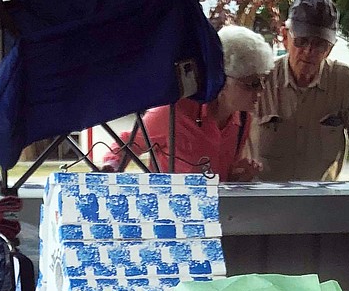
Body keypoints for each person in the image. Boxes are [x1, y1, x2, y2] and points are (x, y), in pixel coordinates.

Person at [253, 0, 349, 186]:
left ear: (330, 47)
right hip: (263, 197)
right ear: (285, 37)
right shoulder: (260, 80)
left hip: (320, 199)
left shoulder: (348, 82)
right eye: (302, 41)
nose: (309, 51)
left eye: (319, 44)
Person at [106, 24, 273, 179]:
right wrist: (110, 168)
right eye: (252, 84)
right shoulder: (173, 111)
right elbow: (128, 144)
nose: (261, 90)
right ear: (221, 80)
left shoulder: (243, 120)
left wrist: (237, 175)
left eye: (262, 81)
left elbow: (219, 179)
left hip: (215, 210)